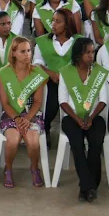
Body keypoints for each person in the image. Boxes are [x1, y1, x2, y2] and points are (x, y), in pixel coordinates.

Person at [59, 37, 109, 202]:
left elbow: (103, 100)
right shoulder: (66, 71)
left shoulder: (99, 72)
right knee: (77, 146)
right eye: (87, 52)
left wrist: (91, 117)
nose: (91, 56)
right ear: (78, 54)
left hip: (95, 117)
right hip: (71, 117)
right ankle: (89, 187)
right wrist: (77, 118)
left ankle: (86, 188)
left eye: (93, 52)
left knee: (95, 145)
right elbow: (63, 101)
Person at [0, 36, 49, 188]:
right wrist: (18, 118)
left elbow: (38, 101)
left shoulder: (37, 73)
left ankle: (34, 168)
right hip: (11, 114)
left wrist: (27, 118)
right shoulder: (4, 73)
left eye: (29, 51)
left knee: (33, 142)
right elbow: (5, 102)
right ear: (13, 53)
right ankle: (8, 168)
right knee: (12, 141)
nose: (27, 55)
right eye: (23, 51)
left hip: (32, 114)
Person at [34, 8, 81, 145]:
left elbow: (83, 63)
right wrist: (51, 73)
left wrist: (67, 76)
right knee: (50, 103)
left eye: (58, 22)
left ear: (67, 24)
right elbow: (36, 64)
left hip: (74, 81)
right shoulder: (42, 41)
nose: (53, 24)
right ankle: (46, 128)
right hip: (51, 81)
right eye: (53, 21)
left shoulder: (79, 41)